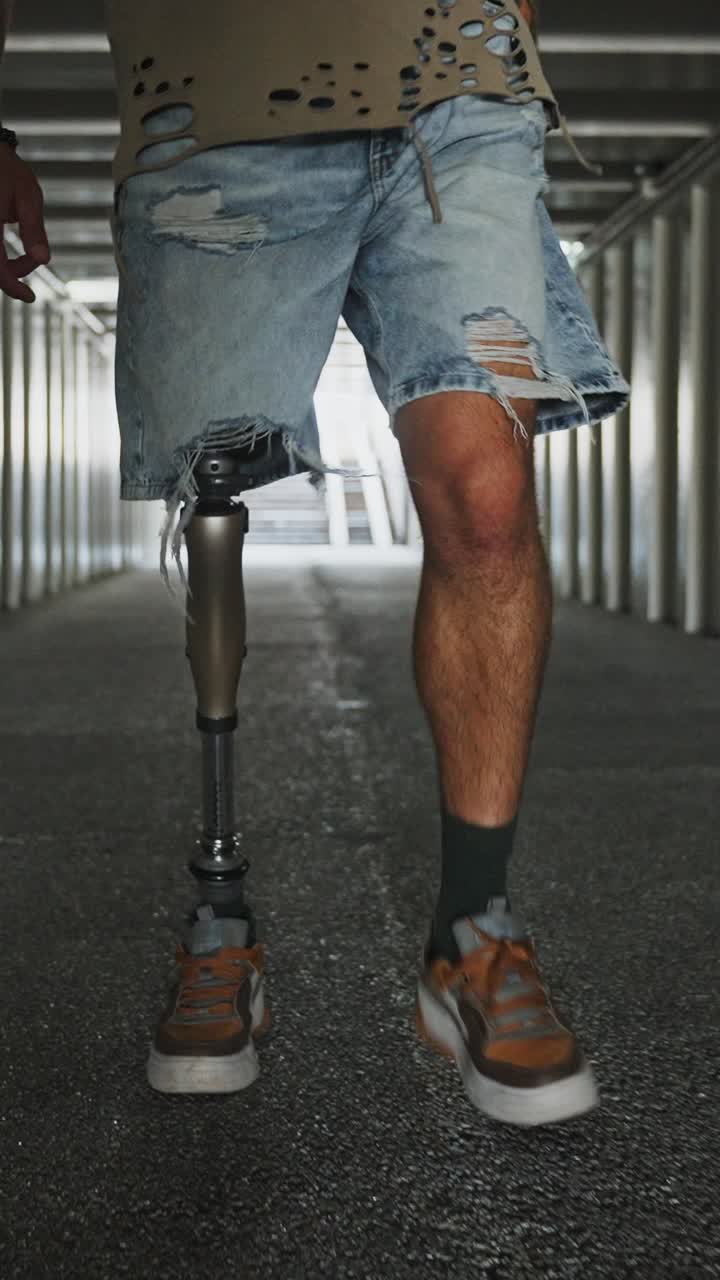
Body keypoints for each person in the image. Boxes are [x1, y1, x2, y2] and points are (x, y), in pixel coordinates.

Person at [0, 0, 629, 1124]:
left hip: (456, 88)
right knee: (215, 493)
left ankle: (474, 933)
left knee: (488, 492)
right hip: (221, 90)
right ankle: (220, 915)